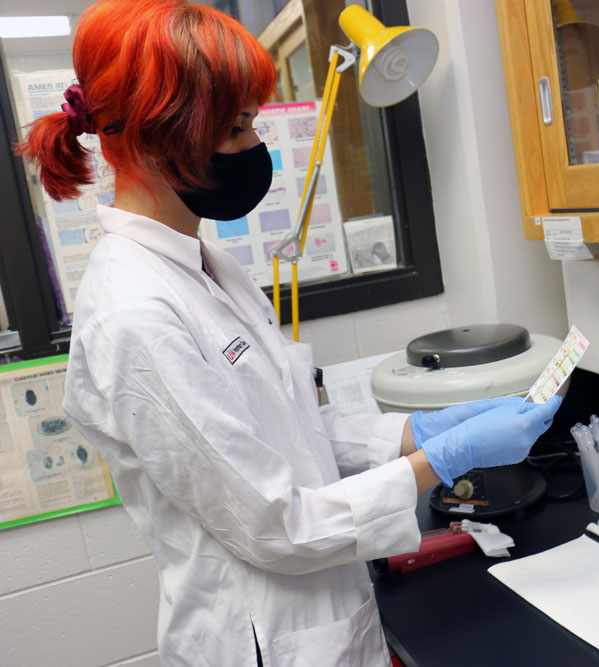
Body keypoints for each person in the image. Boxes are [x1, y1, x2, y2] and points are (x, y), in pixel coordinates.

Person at [18, 1, 562, 665]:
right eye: (237, 127)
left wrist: (420, 431)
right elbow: (273, 521)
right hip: (264, 639)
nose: (255, 147)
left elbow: (286, 431)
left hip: (326, 616)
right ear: (165, 139)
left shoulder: (204, 264)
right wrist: (440, 463)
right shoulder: (135, 313)